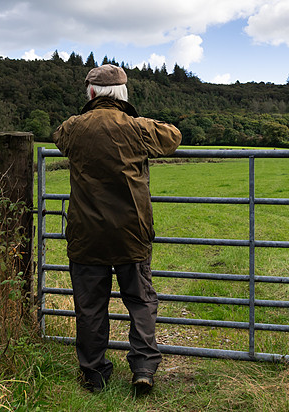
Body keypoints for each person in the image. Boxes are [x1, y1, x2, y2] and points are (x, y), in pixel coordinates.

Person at [53, 64, 182, 394]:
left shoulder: (73, 127)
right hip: (130, 231)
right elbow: (174, 137)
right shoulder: (138, 127)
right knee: (140, 301)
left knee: (90, 306)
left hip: (87, 235)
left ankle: (94, 373)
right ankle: (143, 367)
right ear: (122, 93)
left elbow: (59, 138)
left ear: (92, 93)